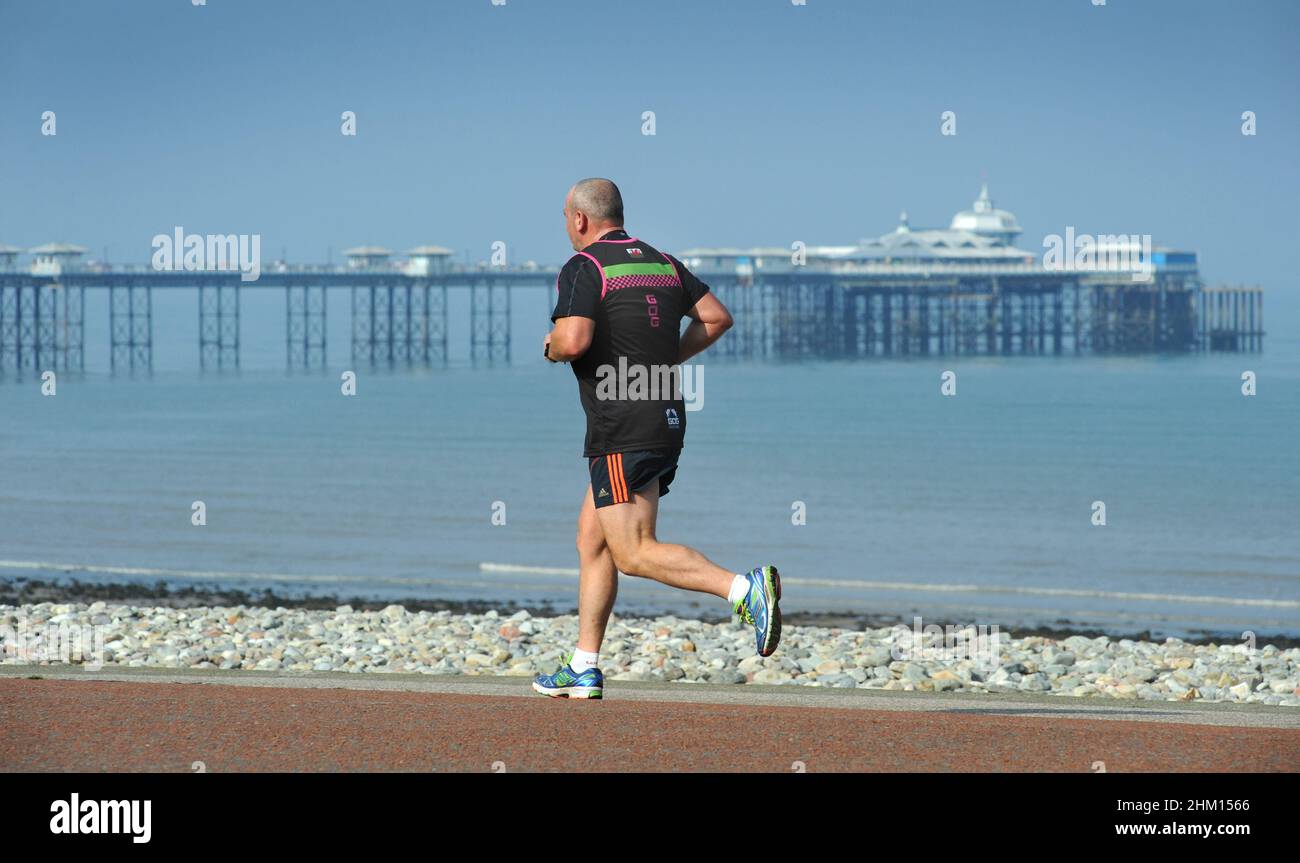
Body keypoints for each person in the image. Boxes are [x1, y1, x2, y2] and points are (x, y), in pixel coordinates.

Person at [534, 177, 781, 700]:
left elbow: (574, 340)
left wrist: (552, 347)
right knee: (592, 537)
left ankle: (742, 589)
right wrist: (666, 359)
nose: (566, 227)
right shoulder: (662, 262)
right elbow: (716, 318)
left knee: (633, 551)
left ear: (579, 219)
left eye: (564, 217)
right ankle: (583, 665)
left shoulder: (585, 266)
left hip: (621, 427)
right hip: (664, 416)